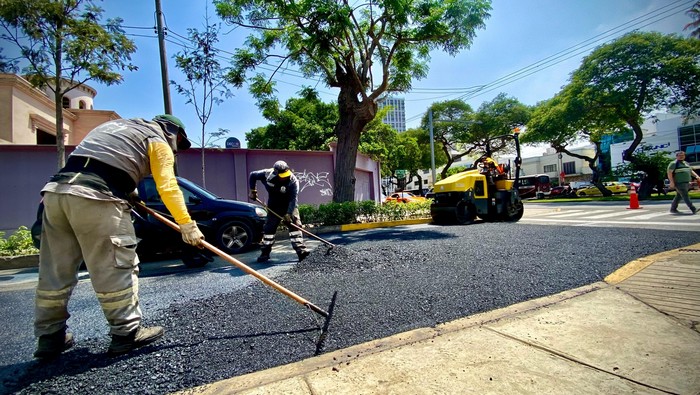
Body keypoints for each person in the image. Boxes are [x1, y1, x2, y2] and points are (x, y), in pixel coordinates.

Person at [33, 115, 205, 359]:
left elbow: (95, 162)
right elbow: (167, 185)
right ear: (172, 131)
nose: (177, 150)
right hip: (97, 198)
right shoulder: (158, 140)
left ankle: (50, 338)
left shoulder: (113, 127)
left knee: (55, 270)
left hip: (56, 195)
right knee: (115, 267)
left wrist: (128, 189)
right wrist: (186, 224)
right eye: (179, 142)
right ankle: (126, 334)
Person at [249, 161, 310, 263]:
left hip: (289, 205)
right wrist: (253, 191)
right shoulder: (267, 174)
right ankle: (265, 253)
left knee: (295, 226)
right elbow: (252, 175)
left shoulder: (292, 180)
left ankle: (301, 252)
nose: (284, 177)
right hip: (274, 206)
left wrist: (289, 213)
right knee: (269, 229)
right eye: (282, 175)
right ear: (275, 172)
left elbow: (293, 199)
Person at [667, 150, 699, 214]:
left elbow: (690, 170)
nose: (681, 156)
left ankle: (673, 209)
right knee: (685, 196)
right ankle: (693, 208)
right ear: (676, 156)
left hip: (686, 182)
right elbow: (669, 173)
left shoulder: (686, 163)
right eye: (680, 155)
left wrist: (697, 176)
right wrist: (672, 182)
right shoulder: (674, 163)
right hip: (679, 183)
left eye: (683, 155)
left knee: (679, 196)